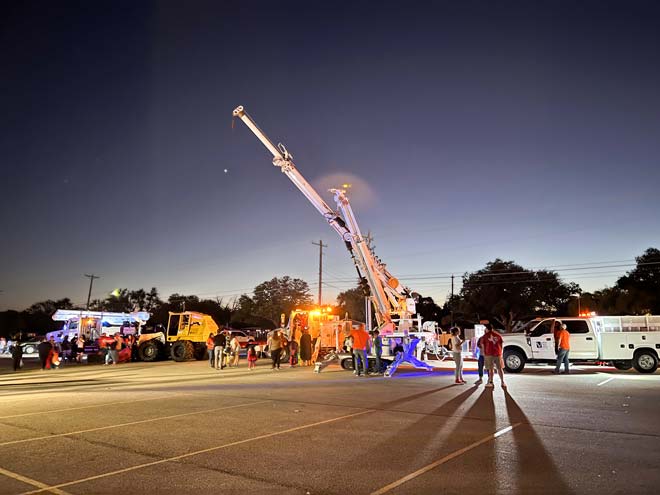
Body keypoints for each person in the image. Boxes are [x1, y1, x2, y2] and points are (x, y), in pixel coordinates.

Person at [483, 323, 506, 389]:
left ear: (487, 329)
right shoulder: (498, 335)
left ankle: (491, 382)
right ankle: (502, 382)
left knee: (491, 369)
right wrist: (500, 352)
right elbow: (501, 344)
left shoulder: (485, 336)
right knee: (500, 368)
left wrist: (484, 353)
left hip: (489, 354)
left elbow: (483, 345)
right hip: (497, 353)